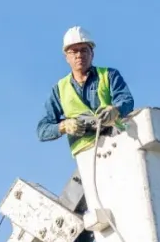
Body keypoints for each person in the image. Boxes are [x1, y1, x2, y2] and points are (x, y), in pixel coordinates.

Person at [36, 26, 135, 156]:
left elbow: (126, 100)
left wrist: (115, 110)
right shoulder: (60, 89)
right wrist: (64, 126)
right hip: (86, 154)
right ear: (66, 57)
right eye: (74, 51)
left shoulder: (109, 75)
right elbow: (42, 130)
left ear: (92, 53)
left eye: (84, 50)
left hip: (117, 143)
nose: (79, 55)